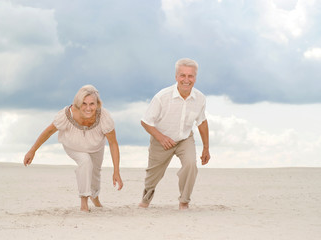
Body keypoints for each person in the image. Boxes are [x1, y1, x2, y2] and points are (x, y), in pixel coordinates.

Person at [23, 84, 123, 212]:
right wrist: (32, 150)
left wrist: (116, 171)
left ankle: (95, 197)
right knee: (85, 162)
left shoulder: (104, 117)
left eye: (92, 104)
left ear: (97, 104)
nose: (88, 108)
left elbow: (113, 143)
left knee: (95, 174)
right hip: (73, 145)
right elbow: (49, 131)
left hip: (96, 147)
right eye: (84, 104)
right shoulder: (67, 114)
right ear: (77, 104)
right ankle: (84, 204)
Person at [139, 58, 210, 210]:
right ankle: (145, 200)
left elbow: (202, 122)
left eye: (190, 76)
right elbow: (145, 121)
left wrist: (206, 148)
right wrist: (161, 137)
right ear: (176, 77)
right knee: (153, 176)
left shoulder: (200, 98)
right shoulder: (162, 97)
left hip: (185, 139)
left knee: (191, 164)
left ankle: (184, 202)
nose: (186, 80)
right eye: (182, 75)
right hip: (161, 139)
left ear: (195, 78)